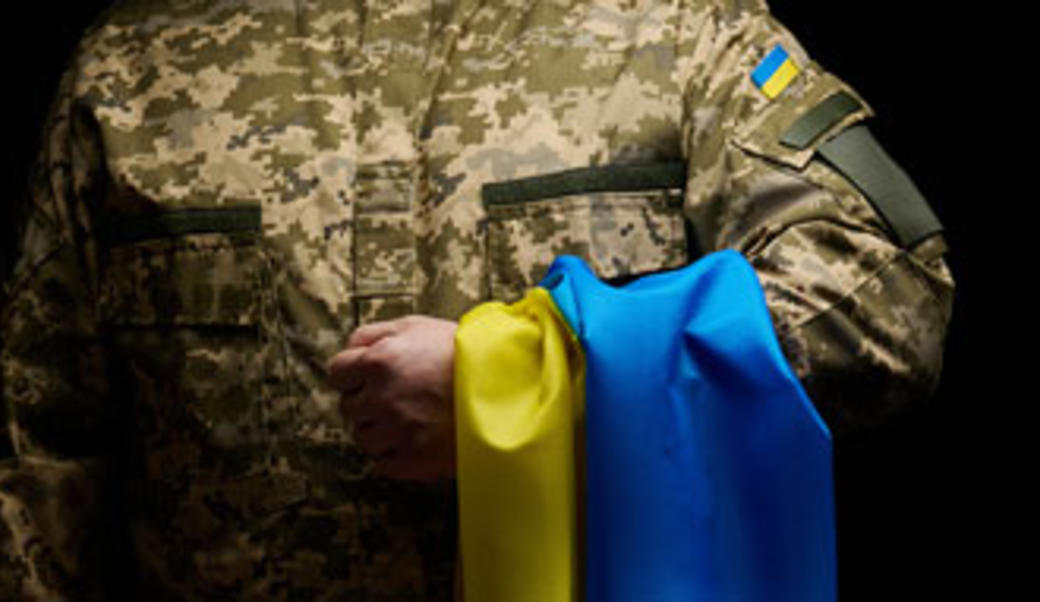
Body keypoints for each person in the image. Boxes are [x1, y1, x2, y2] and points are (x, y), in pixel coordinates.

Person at [1, 0, 954, 599]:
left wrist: (529, 384)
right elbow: (37, 458)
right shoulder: (131, 70)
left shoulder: (679, 35)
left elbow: (888, 298)